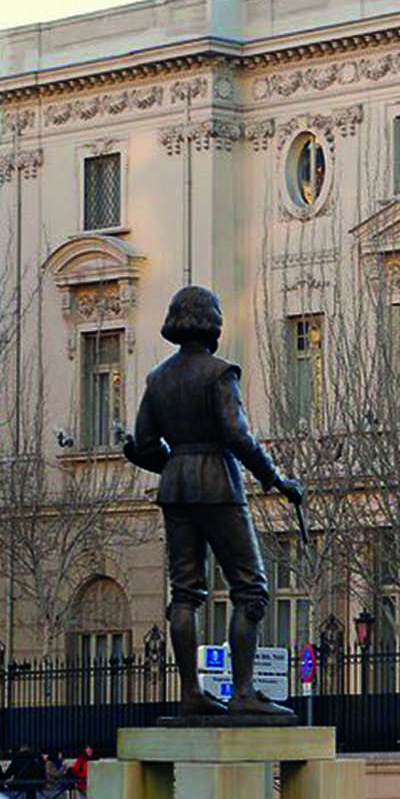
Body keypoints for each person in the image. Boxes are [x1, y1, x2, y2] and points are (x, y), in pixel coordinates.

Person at [123, 285, 304, 718]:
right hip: (218, 484)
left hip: (175, 488)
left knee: (185, 592)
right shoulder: (221, 373)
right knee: (251, 587)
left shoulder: (158, 379)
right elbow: (236, 435)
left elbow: (144, 445)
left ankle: (191, 692)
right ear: (212, 322)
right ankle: (243, 692)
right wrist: (276, 479)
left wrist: (174, 465)